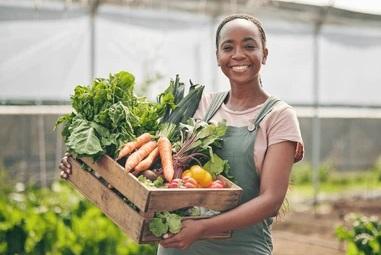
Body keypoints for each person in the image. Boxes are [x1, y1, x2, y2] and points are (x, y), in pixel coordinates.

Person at [60, 13, 304, 255]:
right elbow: (150, 165)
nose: (238, 54)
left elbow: (271, 201)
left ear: (265, 54)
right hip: (177, 245)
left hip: (242, 248)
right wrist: (85, 166)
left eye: (249, 45)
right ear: (218, 57)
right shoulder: (202, 106)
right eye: (228, 47)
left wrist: (201, 228)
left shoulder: (279, 116)